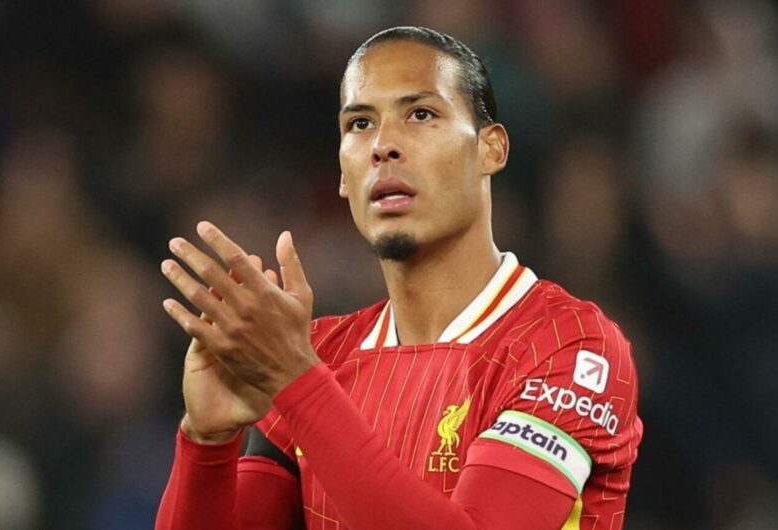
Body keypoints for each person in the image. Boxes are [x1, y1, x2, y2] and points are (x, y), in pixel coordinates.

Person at [155, 26, 643, 530]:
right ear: (342, 175)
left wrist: (298, 382)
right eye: (360, 123)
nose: (383, 145)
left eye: (421, 114)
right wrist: (206, 442)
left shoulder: (573, 346)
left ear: (491, 149)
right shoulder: (321, 356)